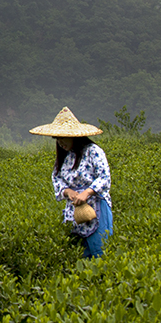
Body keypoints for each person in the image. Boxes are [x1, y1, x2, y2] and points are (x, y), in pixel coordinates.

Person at [31, 107, 113, 258]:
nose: (60, 142)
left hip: (95, 206)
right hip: (74, 208)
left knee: (99, 251)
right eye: (57, 139)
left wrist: (87, 193)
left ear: (74, 136)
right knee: (78, 254)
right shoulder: (65, 156)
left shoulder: (94, 151)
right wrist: (69, 192)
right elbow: (56, 177)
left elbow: (104, 177)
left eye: (63, 138)